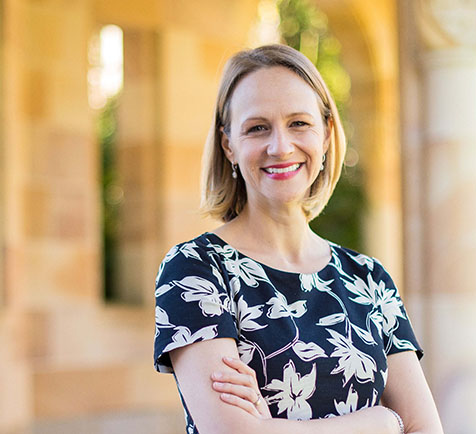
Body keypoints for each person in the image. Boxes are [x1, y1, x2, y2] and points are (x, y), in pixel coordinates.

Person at [153, 44, 444, 434]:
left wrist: (269, 425)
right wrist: (381, 422)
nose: (280, 147)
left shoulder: (368, 280)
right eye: (257, 128)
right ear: (229, 146)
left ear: (325, 135)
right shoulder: (196, 271)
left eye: (298, 123)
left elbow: (425, 428)